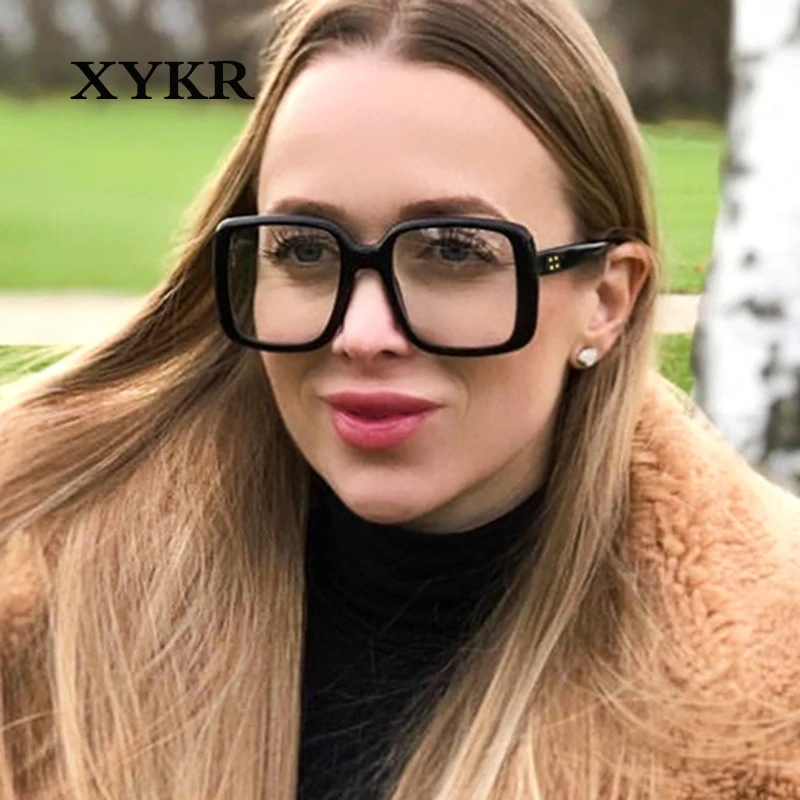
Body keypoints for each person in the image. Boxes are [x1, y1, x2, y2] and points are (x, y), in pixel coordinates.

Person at [1, 0, 799, 797]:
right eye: (304, 250)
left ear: (607, 300)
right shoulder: (43, 601)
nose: (362, 333)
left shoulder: (773, 694)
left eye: (453, 250)